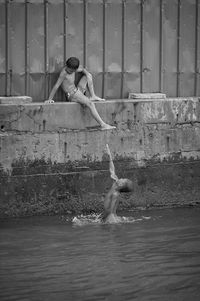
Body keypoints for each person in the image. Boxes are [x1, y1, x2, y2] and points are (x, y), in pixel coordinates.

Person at [45, 57, 116, 130]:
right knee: (90, 104)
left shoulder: (75, 69)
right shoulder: (64, 73)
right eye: (68, 68)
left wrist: (87, 73)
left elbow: (82, 69)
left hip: (77, 91)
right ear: (66, 65)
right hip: (72, 95)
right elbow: (56, 85)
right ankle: (103, 125)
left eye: (72, 70)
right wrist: (49, 99)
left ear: (75, 69)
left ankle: (93, 96)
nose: (69, 71)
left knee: (88, 76)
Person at [101, 144, 133, 223]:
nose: (121, 178)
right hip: (106, 214)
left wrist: (111, 220)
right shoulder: (115, 182)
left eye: (123, 180)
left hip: (110, 216)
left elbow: (111, 211)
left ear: (121, 185)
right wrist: (109, 156)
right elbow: (112, 169)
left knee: (107, 221)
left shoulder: (116, 194)